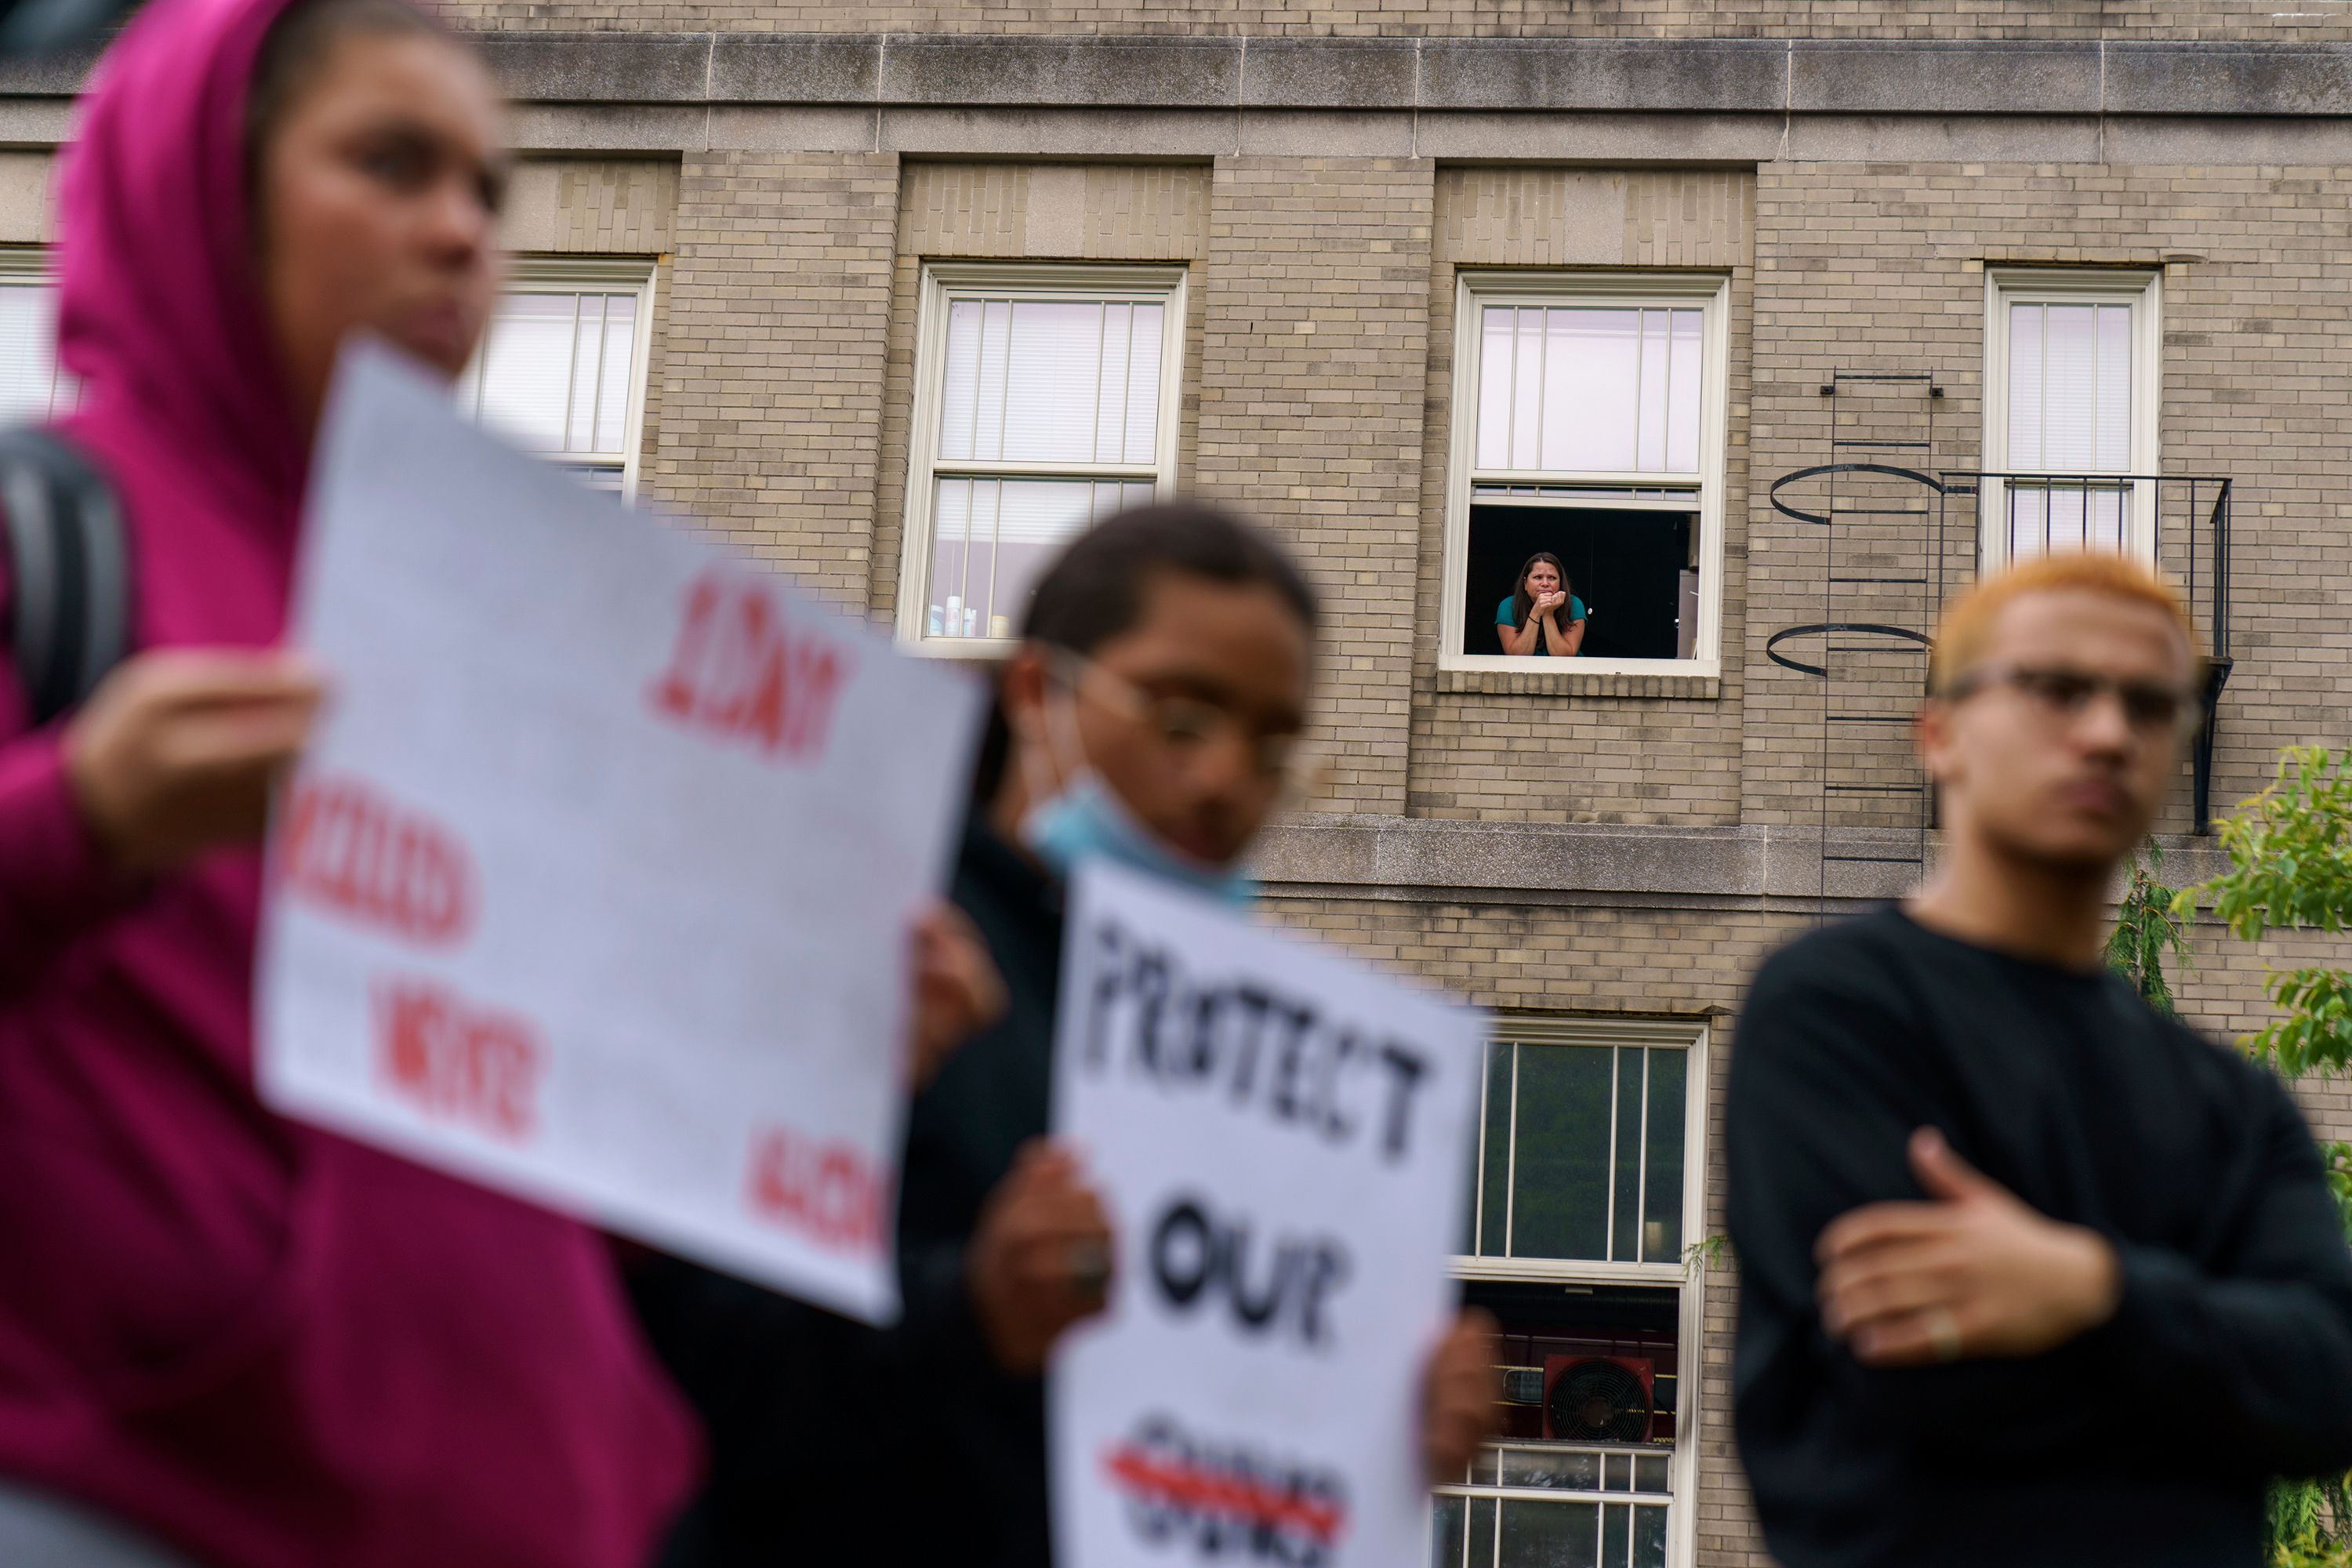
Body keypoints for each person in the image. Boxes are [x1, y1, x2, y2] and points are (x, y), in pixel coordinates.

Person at [0, 0, 1000, 1563]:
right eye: (392, 163)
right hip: (142, 1494)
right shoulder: (47, 533)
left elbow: (551, 1148)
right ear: (206, 183)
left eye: (488, 189)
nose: (462, 232)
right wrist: (84, 818)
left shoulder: (500, 627)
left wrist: (801, 1053)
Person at [640, 503, 1501, 1567]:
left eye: (1275, 747)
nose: (1227, 780)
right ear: (1038, 691)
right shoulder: (863, 930)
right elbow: (673, 1359)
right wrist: (970, 1312)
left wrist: (1382, 1429)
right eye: (1181, 718)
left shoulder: (1262, 1051)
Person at [1726, 551, 2352, 1568]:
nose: (2109, 733)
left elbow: (2329, 1387)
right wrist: (2213, 1377)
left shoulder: (2236, 1104)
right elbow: (1915, 1375)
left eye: (2153, 706)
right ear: (1940, 736)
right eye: (2058, 689)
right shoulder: (1834, 1008)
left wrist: (2089, 1288)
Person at [1494, 550, 1585, 656]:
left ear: (1560, 583)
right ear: (1525, 583)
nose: (1545, 583)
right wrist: (1536, 612)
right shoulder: (1508, 605)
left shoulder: (1574, 604)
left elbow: (1565, 657)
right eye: (1538, 577)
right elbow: (1517, 656)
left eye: (1552, 578)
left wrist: (1548, 614)